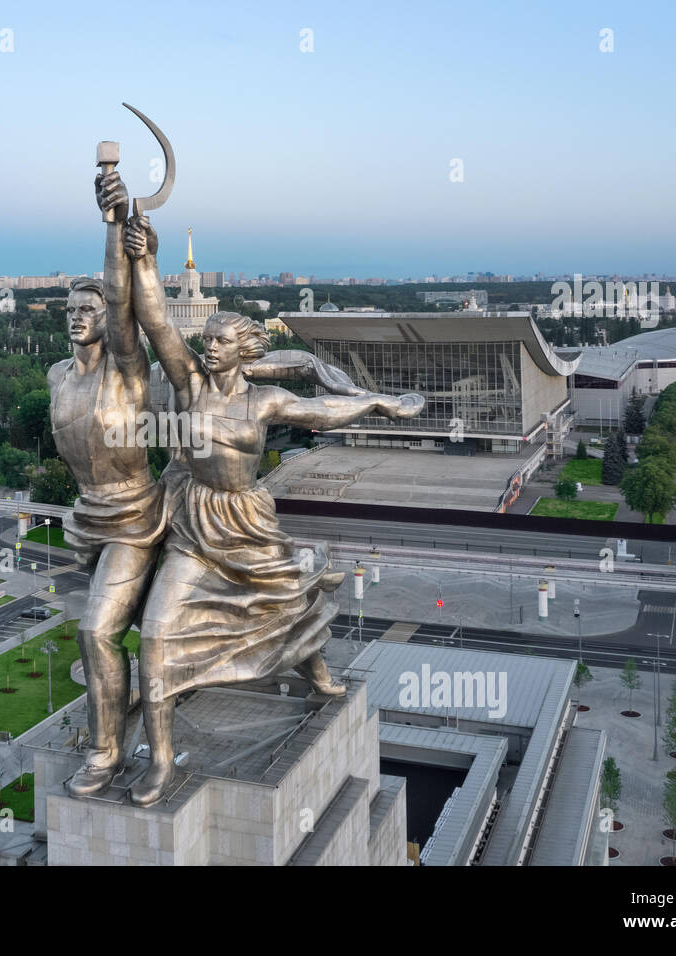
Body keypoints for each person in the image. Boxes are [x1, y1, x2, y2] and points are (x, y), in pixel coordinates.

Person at [123, 213, 423, 806]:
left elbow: (324, 412)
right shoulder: (188, 384)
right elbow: (156, 320)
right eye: (204, 339)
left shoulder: (265, 400)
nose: (206, 348)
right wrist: (145, 259)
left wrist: (382, 404)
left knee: (290, 598)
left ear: (243, 350)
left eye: (218, 341)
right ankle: (159, 762)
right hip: (195, 521)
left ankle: (318, 675)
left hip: (247, 519)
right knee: (156, 637)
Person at [47, 170, 167, 796]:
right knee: (115, 637)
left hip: (134, 517)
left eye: (87, 309)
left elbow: (125, 307)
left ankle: (107, 752)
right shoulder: (55, 378)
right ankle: (125, 718)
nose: (77, 317)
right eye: (69, 309)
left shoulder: (127, 369)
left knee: (98, 631)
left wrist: (115, 224)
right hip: (88, 519)